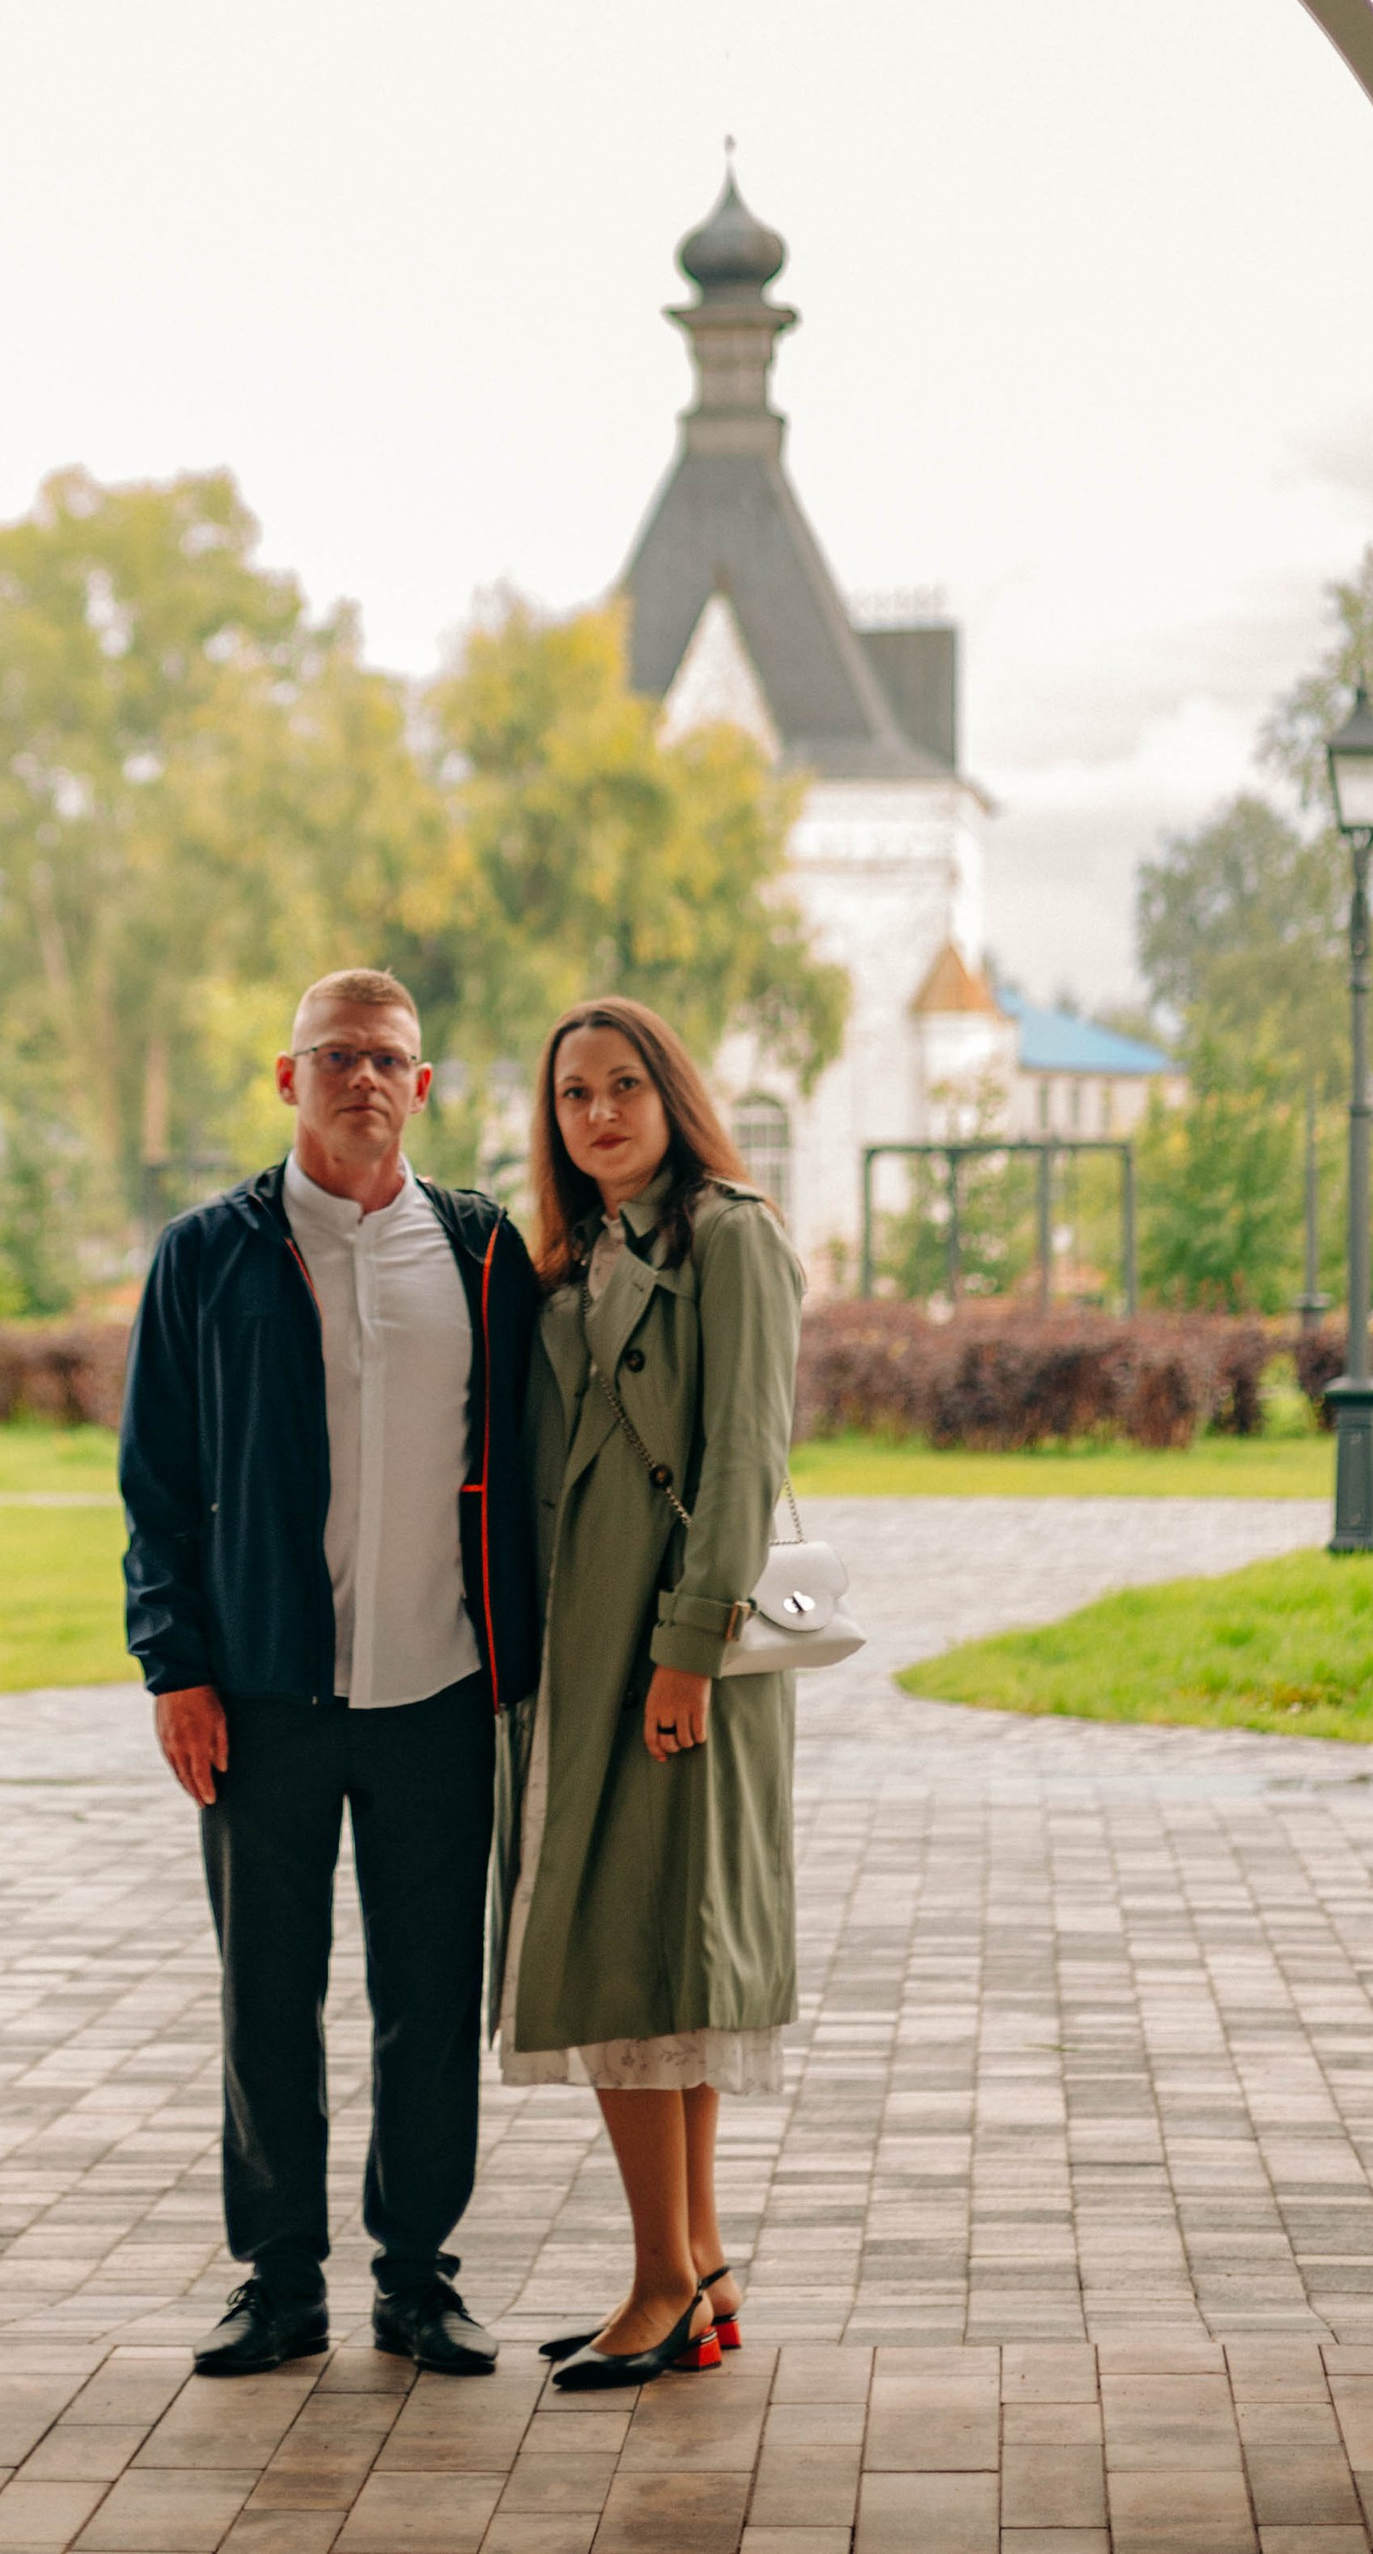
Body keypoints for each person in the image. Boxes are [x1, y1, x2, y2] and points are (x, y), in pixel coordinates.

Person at [118, 966, 540, 2380]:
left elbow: (535, 1474)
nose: (364, 1078)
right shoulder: (205, 1256)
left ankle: (419, 2279)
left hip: (439, 1690)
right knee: (267, 1997)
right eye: (336, 1055)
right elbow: (156, 1485)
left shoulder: (482, 1255)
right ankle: (277, 2281)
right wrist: (174, 1668)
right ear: (284, 1077)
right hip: (259, 1696)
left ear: (424, 1089)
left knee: (428, 1997)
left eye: (390, 1060)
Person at [494, 995, 805, 2392]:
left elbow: (743, 1459)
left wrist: (687, 1647)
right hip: (584, 1646)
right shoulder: (577, 1258)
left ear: (672, 1095)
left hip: (676, 1656)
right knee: (654, 1963)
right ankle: (701, 2262)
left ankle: (659, 2282)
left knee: (634, 1961)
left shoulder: (732, 1238)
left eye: (625, 1086)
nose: (600, 1113)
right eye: (574, 1096)